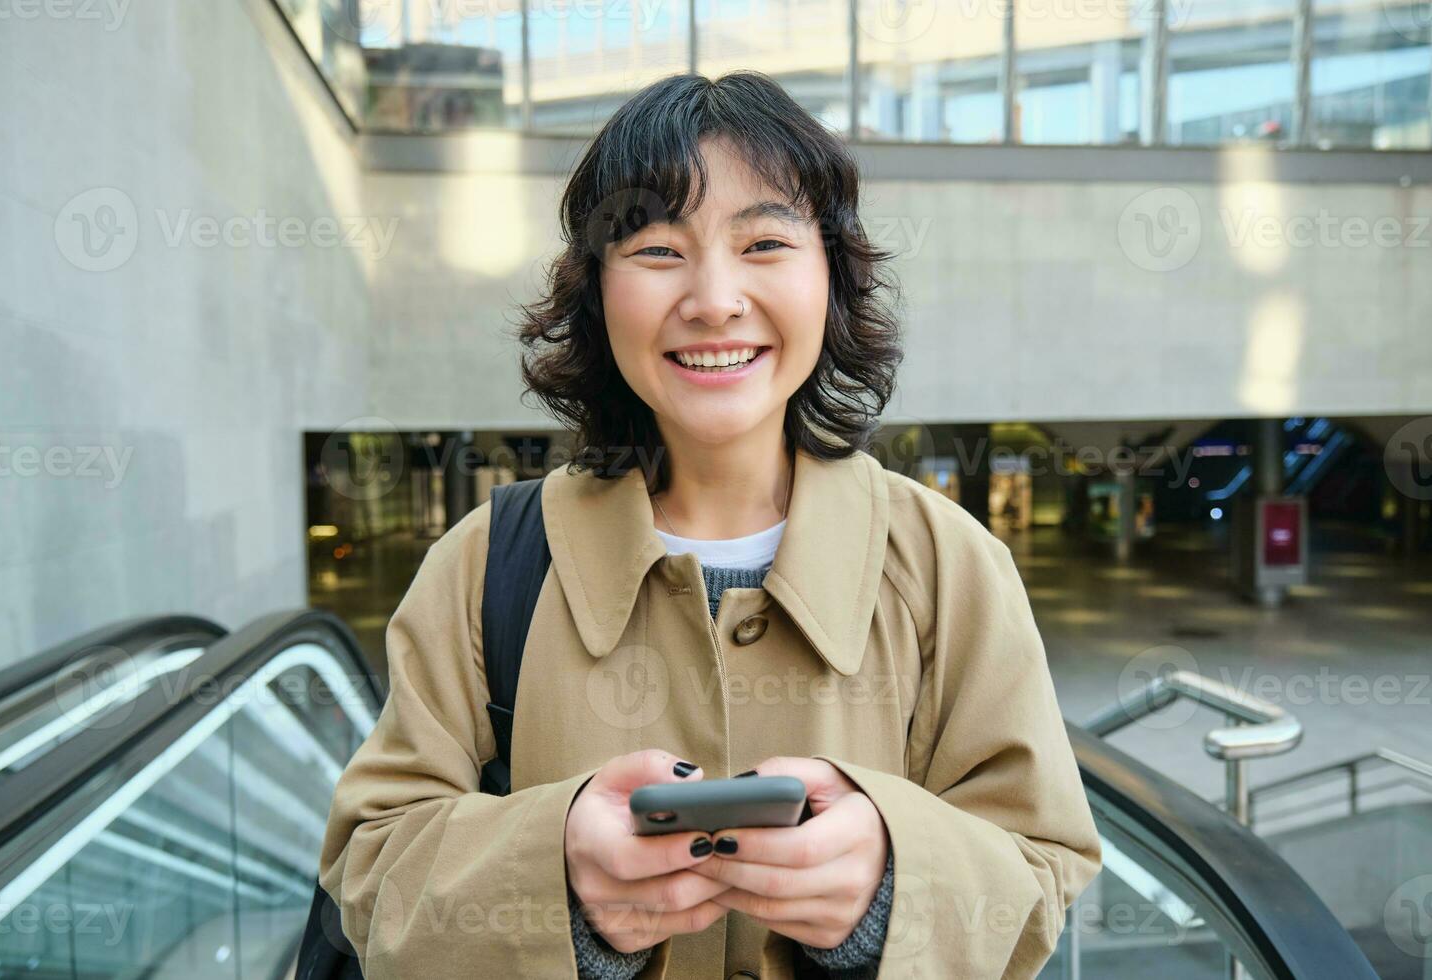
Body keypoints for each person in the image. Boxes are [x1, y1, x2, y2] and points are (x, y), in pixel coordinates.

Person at [317, 70, 1101, 979]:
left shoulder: (948, 561)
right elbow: (369, 864)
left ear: (832, 277)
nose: (715, 298)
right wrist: (558, 876)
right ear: (595, 290)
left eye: (765, 241)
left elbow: (1044, 864)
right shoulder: (486, 562)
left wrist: (888, 885)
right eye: (657, 250)